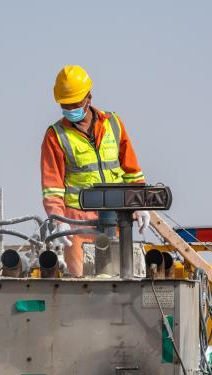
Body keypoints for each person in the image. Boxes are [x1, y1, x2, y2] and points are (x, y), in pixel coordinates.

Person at [40, 65, 147, 277]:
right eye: (65, 104)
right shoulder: (56, 135)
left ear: (89, 97)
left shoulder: (113, 125)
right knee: (84, 289)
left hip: (116, 223)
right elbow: (52, 187)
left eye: (75, 103)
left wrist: (140, 204)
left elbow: (132, 172)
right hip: (78, 229)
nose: (70, 108)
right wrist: (58, 221)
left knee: (120, 283)